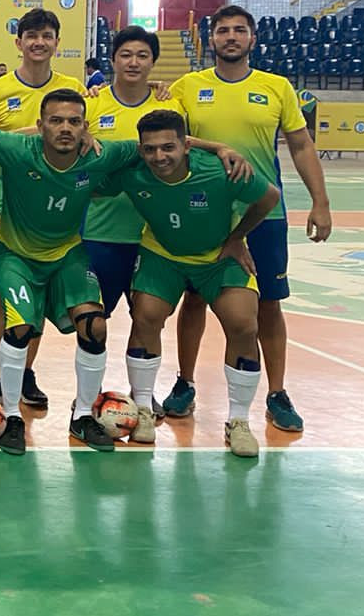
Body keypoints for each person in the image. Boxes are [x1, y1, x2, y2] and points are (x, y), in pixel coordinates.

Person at [0, 90, 245, 456]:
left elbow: (162, 143)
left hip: (67, 253)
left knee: (95, 326)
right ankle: (12, 415)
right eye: (56, 121)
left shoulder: (102, 153)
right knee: (19, 329)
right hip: (15, 254)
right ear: (40, 125)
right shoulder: (15, 147)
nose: (65, 128)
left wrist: (218, 147)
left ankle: (81, 414)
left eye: (74, 122)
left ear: (85, 127)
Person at [167, 5, 333, 433]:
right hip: (205, 210)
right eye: (223, 30)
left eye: (240, 30)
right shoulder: (188, 86)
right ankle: (184, 383)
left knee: (267, 304)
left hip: (264, 214)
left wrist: (321, 202)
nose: (231, 37)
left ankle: (276, 394)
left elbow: (300, 146)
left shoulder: (276, 88)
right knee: (196, 297)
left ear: (253, 39)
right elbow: (173, 137)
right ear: (212, 39)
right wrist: (218, 146)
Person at [100, 109, 281, 458]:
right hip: (162, 255)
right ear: (140, 149)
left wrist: (237, 237)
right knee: (145, 316)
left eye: (168, 147)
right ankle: (143, 409)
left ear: (186, 146)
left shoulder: (220, 170)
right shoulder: (134, 172)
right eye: (150, 149)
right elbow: (90, 185)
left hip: (216, 258)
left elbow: (268, 197)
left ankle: (239, 421)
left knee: (244, 323)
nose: (159, 157)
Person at [0, 7, 82, 409]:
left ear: (56, 42)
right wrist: (29, 135)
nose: (39, 42)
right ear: (18, 43)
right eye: (31, 35)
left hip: (52, 212)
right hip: (0, 206)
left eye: (47, 35)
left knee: (34, 296)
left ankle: (25, 371)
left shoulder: (74, 88)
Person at [81, 25, 178, 429]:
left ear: (152, 62)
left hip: (151, 237)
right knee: (92, 323)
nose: (133, 62)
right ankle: (85, 401)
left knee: (148, 319)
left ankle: (142, 399)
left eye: (142, 56)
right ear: (113, 60)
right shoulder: (92, 103)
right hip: (100, 233)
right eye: (126, 55)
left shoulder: (169, 107)